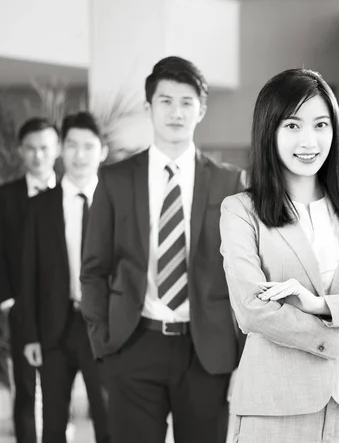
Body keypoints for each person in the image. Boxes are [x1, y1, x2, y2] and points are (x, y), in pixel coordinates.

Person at [219, 68, 339, 443]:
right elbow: (250, 309)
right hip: (274, 406)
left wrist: (321, 305)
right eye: (292, 126)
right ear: (269, 131)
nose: (309, 141)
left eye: (321, 125)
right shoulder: (241, 210)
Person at [80, 56, 246, 443]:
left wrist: (241, 351)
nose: (176, 112)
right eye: (166, 101)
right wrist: (102, 341)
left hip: (207, 351)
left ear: (201, 110)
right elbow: (94, 268)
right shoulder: (116, 179)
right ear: (148, 107)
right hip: (133, 342)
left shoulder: (228, 182)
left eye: (187, 102)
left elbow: (243, 273)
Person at [21, 112, 110, 443]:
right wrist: (30, 334)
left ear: (102, 151)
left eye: (88, 146)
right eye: (72, 145)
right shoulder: (40, 206)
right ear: (61, 149)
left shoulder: (116, 204)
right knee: (54, 424)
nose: (80, 155)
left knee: (108, 420)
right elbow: (27, 274)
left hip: (103, 330)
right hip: (54, 330)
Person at [0, 117, 60, 443]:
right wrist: (9, 302)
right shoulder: (6, 196)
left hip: (65, 309)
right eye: (30, 148)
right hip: (22, 308)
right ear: (20, 151)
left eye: (44, 147)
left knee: (61, 386)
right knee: (26, 388)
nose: (38, 155)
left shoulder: (71, 194)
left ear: (56, 149)